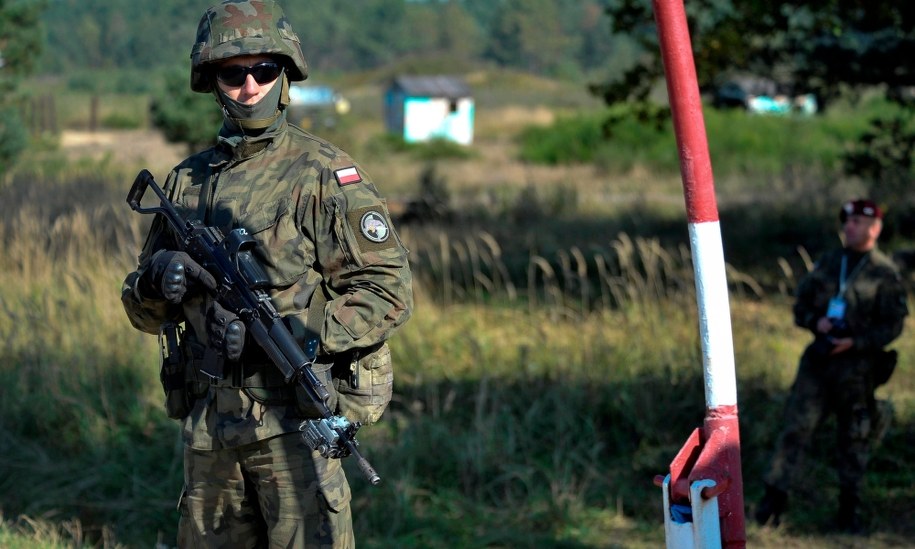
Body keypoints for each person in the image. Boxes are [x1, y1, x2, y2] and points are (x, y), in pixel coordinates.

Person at [121, 1, 413, 546]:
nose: (249, 86)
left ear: (285, 76)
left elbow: (388, 289)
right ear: (212, 81)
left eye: (264, 70)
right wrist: (158, 279)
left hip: (293, 432)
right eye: (233, 73)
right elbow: (141, 311)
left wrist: (300, 331)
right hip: (210, 435)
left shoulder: (324, 175)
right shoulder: (185, 183)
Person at [755, 199, 907, 534]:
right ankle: (772, 502)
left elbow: (894, 325)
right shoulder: (828, 262)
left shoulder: (884, 272)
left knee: (854, 438)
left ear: (874, 228)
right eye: (847, 221)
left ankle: (848, 511)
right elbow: (801, 306)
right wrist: (816, 322)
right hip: (819, 364)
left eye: (856, 222)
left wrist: (857, 341)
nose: (849, 227)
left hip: (858, 369)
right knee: (796, 428)